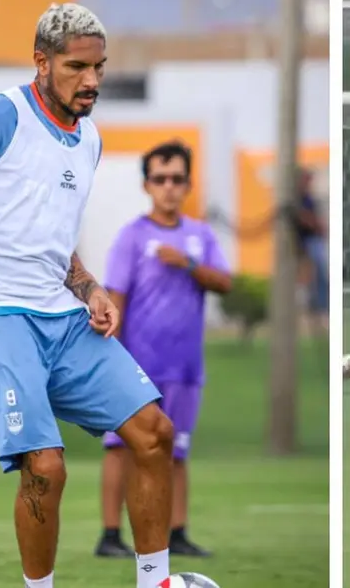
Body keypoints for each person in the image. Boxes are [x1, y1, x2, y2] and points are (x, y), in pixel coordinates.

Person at [0, 5, 177, 588]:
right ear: (42, 62)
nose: (92, 80)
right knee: (45, 466)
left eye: (99, 67)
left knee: (154, 434)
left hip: (62, 315)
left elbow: (51, 241)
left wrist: (90, 287)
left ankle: (156, 582)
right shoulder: (1, 115)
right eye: (77, 67)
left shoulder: (89, 139)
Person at [95, 142, 231, 559]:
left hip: (184, 367)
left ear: (188, 184)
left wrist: (187, 264)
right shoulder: (132, 237)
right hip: (138, 366)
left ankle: (178, 532)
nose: (168, 187)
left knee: (177, 451)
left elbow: (224, 283)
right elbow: (115, 298)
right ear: (147, 185)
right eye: (160, 179)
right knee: (120, 448)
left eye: (176, 179)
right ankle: (110, 535)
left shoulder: (200, 235)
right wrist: (112, 361)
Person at [293, 168, 328, 334]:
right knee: (311, 275)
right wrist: (315, 224)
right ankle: (316, 309)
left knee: (319, 276)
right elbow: (303, 218)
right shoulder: (296, 199)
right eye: (307, 179)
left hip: (313, 240)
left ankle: (320, 309)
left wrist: (318, 225)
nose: (309, 183)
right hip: (305, 242)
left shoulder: (309, 199)